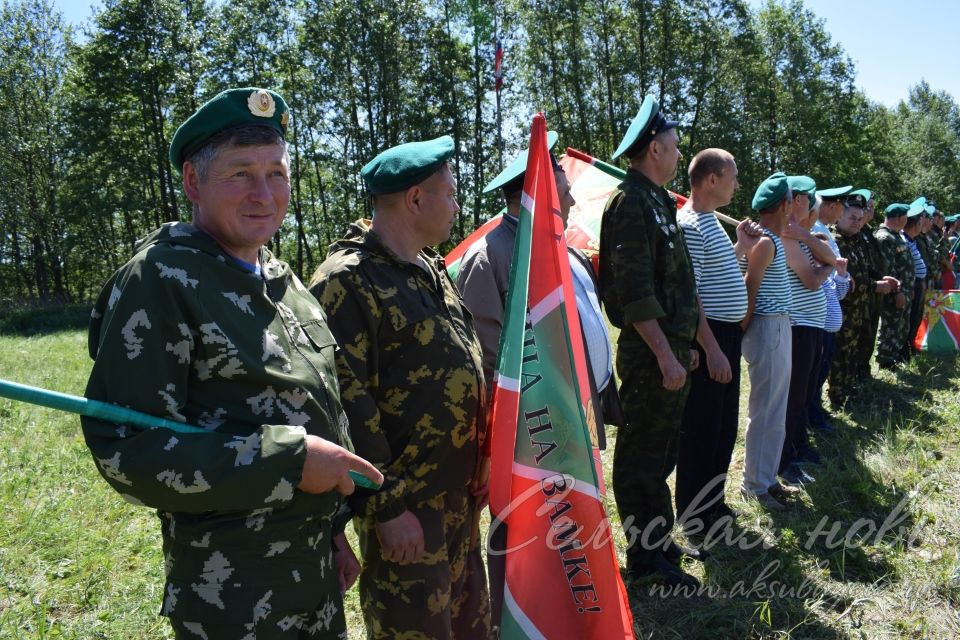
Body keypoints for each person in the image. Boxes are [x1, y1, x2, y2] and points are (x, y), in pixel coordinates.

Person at [81, 87, 383, 639]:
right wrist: (286, 462)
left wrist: (335, 531)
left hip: (313, 583)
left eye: (277, 172)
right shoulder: (162, 280)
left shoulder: (285, 283)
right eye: (240, 173)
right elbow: (125, 449)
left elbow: (314, 409)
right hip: (235, 602)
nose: (264, 193)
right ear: (194, 184)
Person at [309, 136, 491, 639]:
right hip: (407, 512)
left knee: (471, 626)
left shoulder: (431, 267)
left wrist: (483, 457)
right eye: (450, 194)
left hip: (459, 497)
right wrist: (386, 507)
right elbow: (347, 407)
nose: (457, 205)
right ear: (415, 199)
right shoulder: (345, 282)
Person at [456, 131, 623, 625]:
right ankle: (519, 620)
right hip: (532, 440)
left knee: (570, 529)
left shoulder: (563, 250)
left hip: (577, 422)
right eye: (561, 187)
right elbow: (488, 362)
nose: (571, 194)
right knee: (523, 535)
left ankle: (565, 612)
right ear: (535, 192)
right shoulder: (493, 257)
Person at [598, 95, 702, 587]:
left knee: (662, 451)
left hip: (670, 346)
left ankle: (657, 539)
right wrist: (664, 352)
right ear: (656, 148)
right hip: (649, 353)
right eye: (676, 146)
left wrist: (684, 343)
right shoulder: (631, 202)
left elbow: (676, 283)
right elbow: (635, 291)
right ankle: (645, 559)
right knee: (641, 455)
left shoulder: (659, 200)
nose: (681, 155)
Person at [674, 148, 760, 534]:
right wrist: (710, 349)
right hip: (710, 339)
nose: (737, 183)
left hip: (726, 336)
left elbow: (718, 274)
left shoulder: (710, 222)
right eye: (733, 176)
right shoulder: (690, 225)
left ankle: (713, 504)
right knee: (702, 430)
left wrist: (741, 246)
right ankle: (694, 516)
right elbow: (690, 297)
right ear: (712, 180)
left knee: (723, 427)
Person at [737, 172, 795, 512]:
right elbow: (750, 288)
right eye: (791, 202)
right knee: (765, 411)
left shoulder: (769, 238)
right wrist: (741, 331)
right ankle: (755, 485)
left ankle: (767, 478)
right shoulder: (765, 243)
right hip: (767, 329)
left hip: (778, 327)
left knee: (776, 409)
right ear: (785, 205)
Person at [778, 175, 833, 486]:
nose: (811, 205)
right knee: (793, 396)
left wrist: (810, 241)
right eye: (807, 199)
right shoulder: (786, 234)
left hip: (810, 326)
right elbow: (814, 278)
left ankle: (798, 446)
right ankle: (785, 460)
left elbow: (827, 256)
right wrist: (829, 266)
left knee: (803, 392)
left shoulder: (800, 233)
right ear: (797, 200)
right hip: (796, 326)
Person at [828, 193, 897, 408]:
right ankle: (837, 399)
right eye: (852, 218)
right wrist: (876, 286)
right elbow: (851, 282)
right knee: (839, 355)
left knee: (852, 351)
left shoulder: (857, 240)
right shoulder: (835, 242)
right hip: (843, 308)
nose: (857, 222)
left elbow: (865, 270)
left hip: (859, 309)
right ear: (839, 217)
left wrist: (879, 278)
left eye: (860, 219)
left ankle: (848, 390)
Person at [806, 187, 852, 431]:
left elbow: (834, 273)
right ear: (832, 206)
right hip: (818, 317)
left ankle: (815, 409)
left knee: (820, 370)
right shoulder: (814, 232)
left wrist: (843, 276)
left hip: (829, 309)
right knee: (812, 374)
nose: (843, 212)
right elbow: (822, 270)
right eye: (842, 207)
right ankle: (811, 413)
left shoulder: (823, 232)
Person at [874, 203, 915, 370]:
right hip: (894, 292)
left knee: (899, 325)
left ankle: (893, 356)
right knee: (890, 325)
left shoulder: (895, 235)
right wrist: (897, 292)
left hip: (903, 291)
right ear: (900, 218)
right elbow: (888, 269)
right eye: (905, 217)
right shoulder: (885, 237)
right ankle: (885, 360)